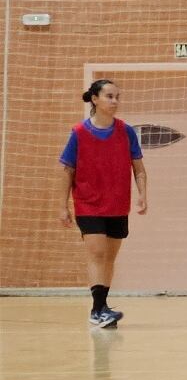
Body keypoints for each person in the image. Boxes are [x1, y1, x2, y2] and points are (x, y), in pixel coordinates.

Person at [58, 79, 147, 328]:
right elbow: (67, 171)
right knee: (97, 254)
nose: (115, 101)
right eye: (109, 96)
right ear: (95, 99)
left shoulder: (126, 131)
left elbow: (138, 168)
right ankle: (97, 310)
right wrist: (62, 206)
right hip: (88, 204)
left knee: (109, 257)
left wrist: (143, 194)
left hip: (118, 204)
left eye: (117, 96)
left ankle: (103, 306)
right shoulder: (78, 133)